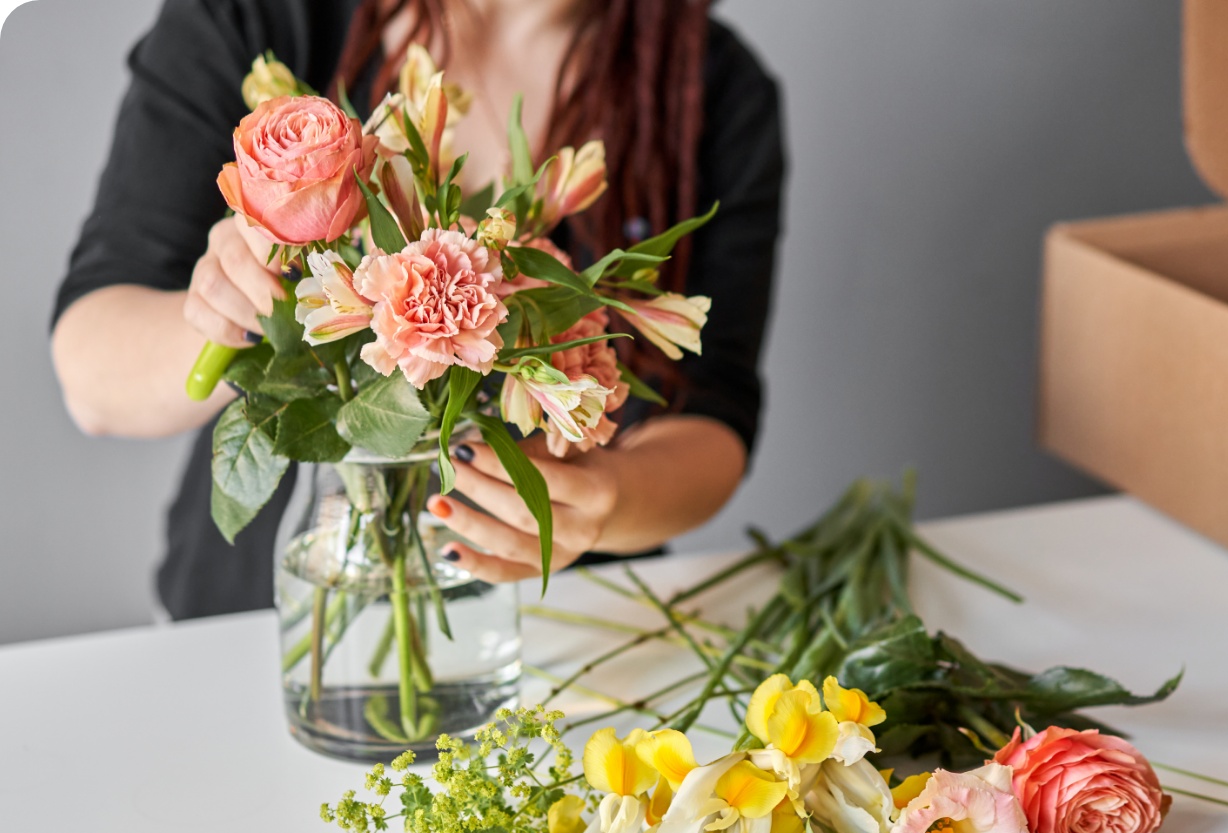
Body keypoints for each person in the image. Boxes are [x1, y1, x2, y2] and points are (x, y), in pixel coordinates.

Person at [50, 0, 784, 619]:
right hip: (257, 621)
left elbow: (710, 417)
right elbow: (91, 378)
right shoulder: (265, 12)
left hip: (562, 629)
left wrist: (606, 500)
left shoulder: (711, 90)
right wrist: (235, 300)